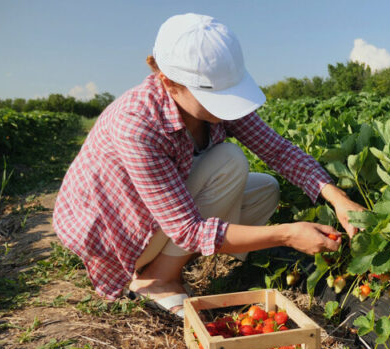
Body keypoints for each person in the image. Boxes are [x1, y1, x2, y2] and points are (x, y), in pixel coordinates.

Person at [53, 13, 364, 318]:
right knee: (229, 162)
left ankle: (164, 265)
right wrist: (286, 234)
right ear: (169, 83)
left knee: (265, 190)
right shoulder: (138, 124)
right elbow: (188, 230)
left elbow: (279, 151)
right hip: (116, 232)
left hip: (159, 213)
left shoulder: (214, 105)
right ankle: (156, 280)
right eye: (213, 97)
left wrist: (339, 199)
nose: (225, 108)